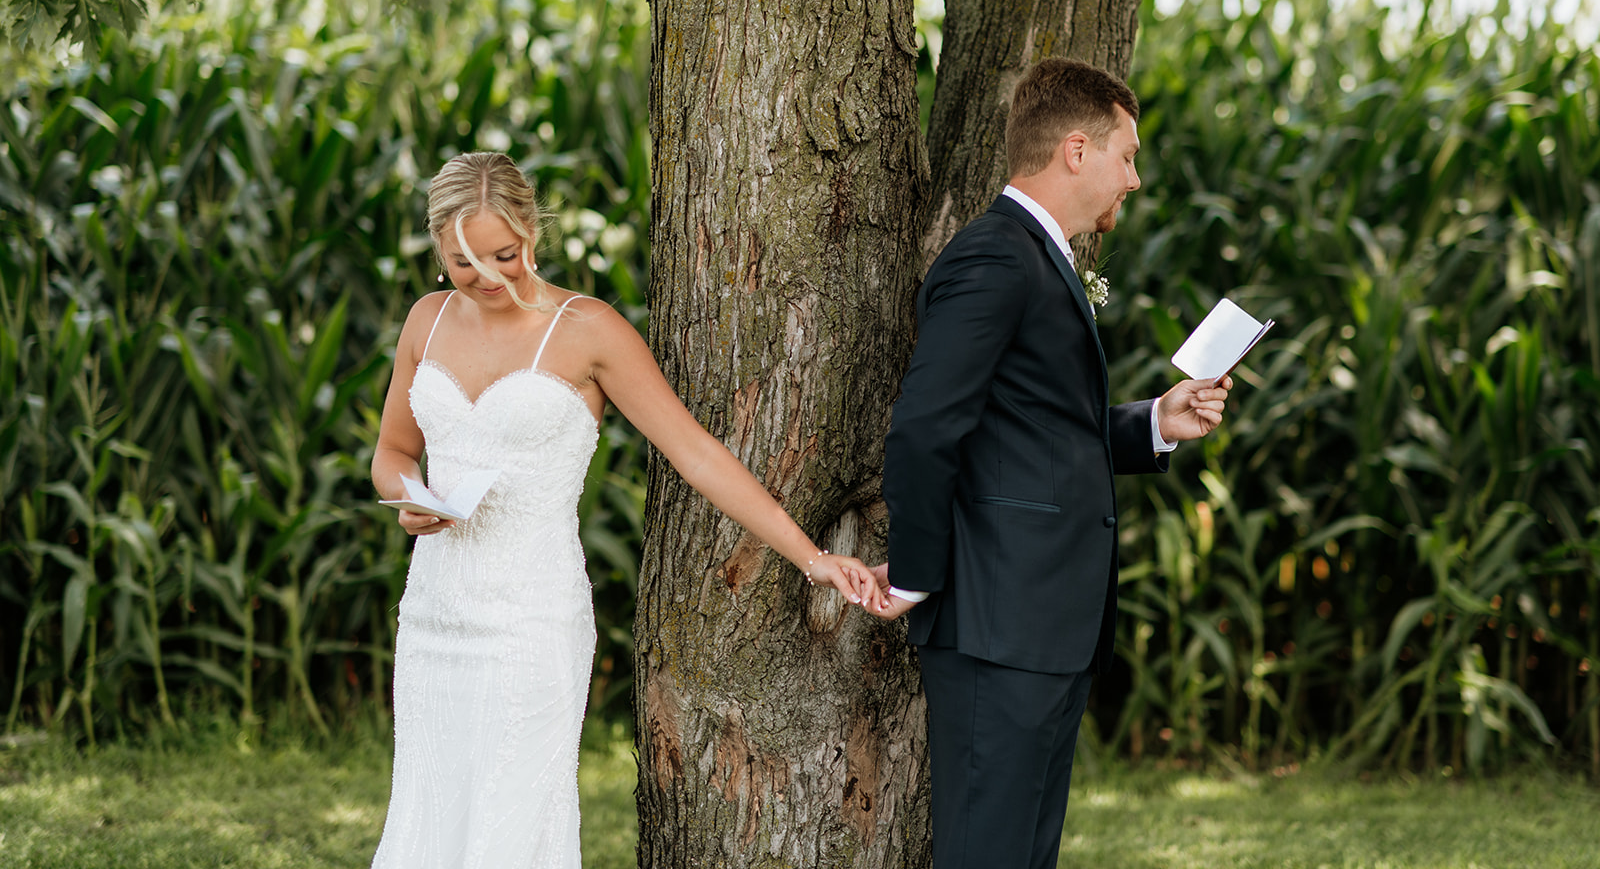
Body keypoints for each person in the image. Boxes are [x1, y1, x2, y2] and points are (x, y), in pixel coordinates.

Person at [369, 151, 883, 868]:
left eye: (503, 256)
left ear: (531, 232)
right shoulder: (426, 321)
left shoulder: (588, 331)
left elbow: (696, 454)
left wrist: (813, 558)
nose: (486, 278)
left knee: (510, 827)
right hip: (433, 615)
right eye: (462, 263)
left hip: (531, 623)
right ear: (437, 250)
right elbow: (392, 451)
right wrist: (409, 497)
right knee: (428, 812)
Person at [871, 59, 1232, 868]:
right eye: (1127, 156)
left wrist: (1155, 425)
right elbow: (925, 428)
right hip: (997, 626)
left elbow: (1035, 433)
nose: (1133, 181)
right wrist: (923, 575)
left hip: (1044, 628)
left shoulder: (1044, 257)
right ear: (1076, 150)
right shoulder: (995, 257)